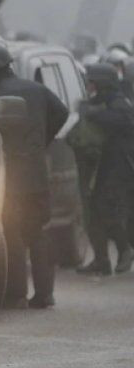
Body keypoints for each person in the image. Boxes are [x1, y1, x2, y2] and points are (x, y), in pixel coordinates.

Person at [0, 44, 68, 309]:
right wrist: (43, 139)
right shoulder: (37, 89)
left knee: (11, 232)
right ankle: (45, 294)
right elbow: (62, 112)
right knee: (37, 232)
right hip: (35, 173)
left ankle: (15, 292)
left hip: (8, 175)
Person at [74, 63, 134, 276]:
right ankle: (101, 260)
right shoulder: (100, 102)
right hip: (100, 166)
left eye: (91, 82)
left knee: (109, 211)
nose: (88, 86)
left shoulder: (119, 104)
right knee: (94, 213)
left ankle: (124, 250)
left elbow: (120, 121)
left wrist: (91, 113)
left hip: (119, 167)